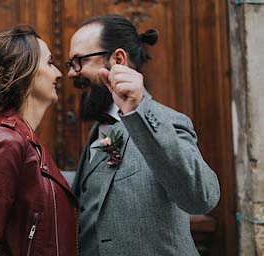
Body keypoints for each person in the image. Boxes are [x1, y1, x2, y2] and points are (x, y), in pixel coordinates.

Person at [68, 14, 219, 256]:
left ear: (117, 59)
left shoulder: (167, 121)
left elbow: (201, 197)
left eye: (79, 62)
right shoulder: (97, 130)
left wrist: (140, 109)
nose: (72, 74)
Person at [0, 25, 78, 256]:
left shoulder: (24, 139)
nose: (59, 73)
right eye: (50, 63)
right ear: (26, 71)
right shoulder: (3, 140)